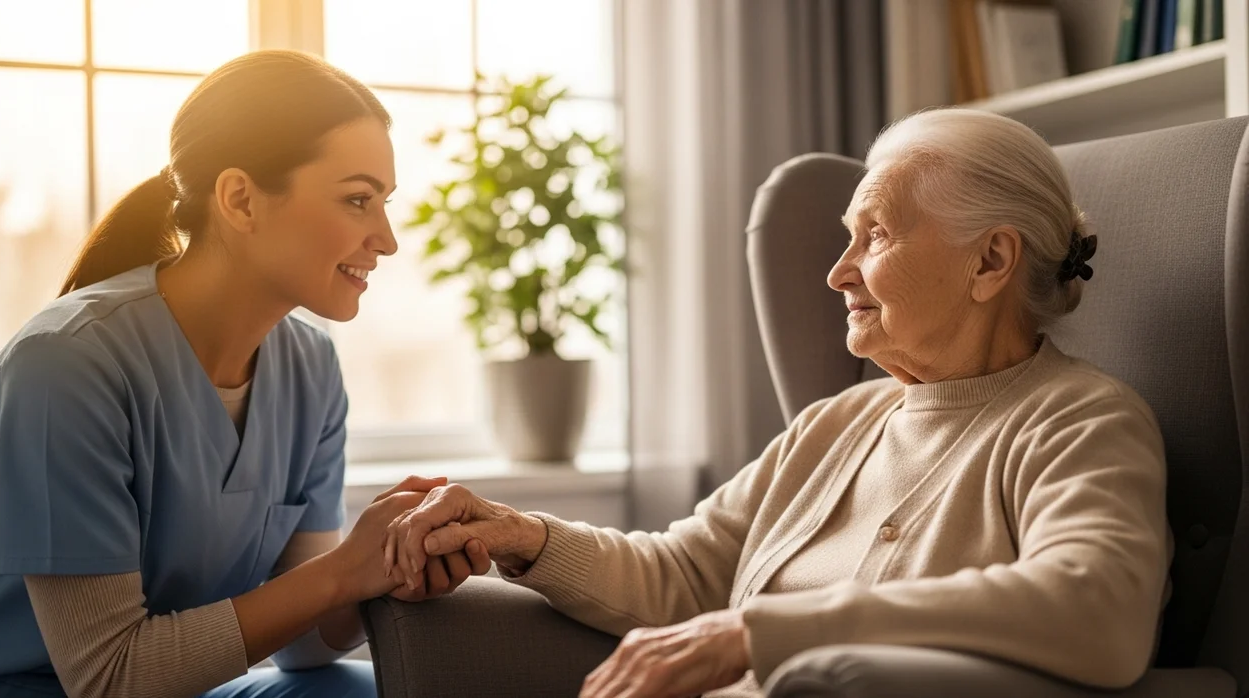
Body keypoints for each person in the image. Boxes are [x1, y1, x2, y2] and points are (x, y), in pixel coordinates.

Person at [383, 108, 1173, 697]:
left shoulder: (1079, 422)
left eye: (876, 235)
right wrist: (525, 535)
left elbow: (1095, 606)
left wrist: (758, 632)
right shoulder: (838, 423)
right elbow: (684, 572)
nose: (838, 272)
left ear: (992, 259)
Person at [0, 50, 491, 698]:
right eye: (358, 199)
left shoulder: (310, 368)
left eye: (383, 202)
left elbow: (303, 648)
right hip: (27, 690)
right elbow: (108, 679)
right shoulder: (63, 366)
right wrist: (339, 573)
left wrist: (383, 569)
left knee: (385, 690)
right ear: (240, 199)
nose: (386, 239)